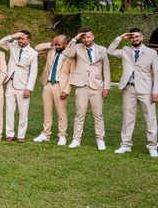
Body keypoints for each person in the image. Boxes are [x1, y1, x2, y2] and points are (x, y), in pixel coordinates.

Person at [107, 29, 158, 157]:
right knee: (127, 117)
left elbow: (157, 74)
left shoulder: (152, 53)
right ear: (129, 39)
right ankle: (125, 145)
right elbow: (110, 51)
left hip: (146, 90)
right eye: (132, 37)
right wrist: (120, 37)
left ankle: (152, 146)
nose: (134, 39)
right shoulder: (125, 51)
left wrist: (155, 91)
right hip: (128, 88)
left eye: (137, 36)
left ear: (142, 37)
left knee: (150, 118)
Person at [63, 27, 110, 150]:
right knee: (79, 114)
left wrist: (106, 87)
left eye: (88, 36)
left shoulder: (102, 50)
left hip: (97, 86)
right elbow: (66, 53)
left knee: (98, 114)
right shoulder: (77, 48)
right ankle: (76, 139)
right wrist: (75, 38)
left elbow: (106, 69)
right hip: (81, 85)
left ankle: (100, 139)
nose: (86, 39)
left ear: (93, 37)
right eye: (83, 37)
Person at [33, 35, 75, 145]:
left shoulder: (71, 55)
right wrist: (51, 44)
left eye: (59, 44)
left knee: (61, 113)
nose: (57, 46)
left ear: (65, 44)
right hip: (47, 84)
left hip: (60, 86)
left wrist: (67, 90)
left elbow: (72, 75)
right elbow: (37, 48)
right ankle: (45, 134)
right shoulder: (51, 50)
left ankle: (62, 135)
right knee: (47, 111)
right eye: (55, 44)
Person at [0, 30, 38, 143]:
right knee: (9, 110)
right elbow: (0, 43)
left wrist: (29, 89)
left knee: (23, 111)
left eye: (22, 39)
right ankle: (9, 134)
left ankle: (21, 135)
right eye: (19, 39)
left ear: (28, 40)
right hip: (10, 82)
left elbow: (33, 72)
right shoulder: (13, 45)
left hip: (23, 85)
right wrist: (13, 35)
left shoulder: (33, 53)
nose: (20, 41)